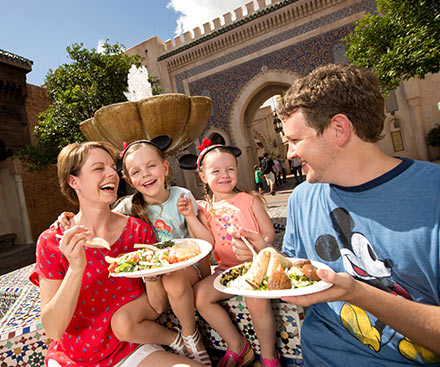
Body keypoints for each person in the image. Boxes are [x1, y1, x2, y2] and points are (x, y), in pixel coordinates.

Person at [231, 64, 440, 366]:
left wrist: (358, 293)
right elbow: (299, 269)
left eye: (295, 140)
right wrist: (265, 254)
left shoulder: (431, 195)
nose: (289, 153)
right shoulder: (303, 198)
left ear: (339, 130)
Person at [31, 141, 204, 367]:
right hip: (75, 357)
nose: (112, 173)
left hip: (132, 348)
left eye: (113, 167)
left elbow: (158, 306)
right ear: (74, 181)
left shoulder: (138, 230)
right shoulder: (53, 242)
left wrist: (150, 270)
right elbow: (53, 329)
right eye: (98, 168)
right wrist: (76, 269)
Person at [179, 139, 280, 367]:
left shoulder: (248, 200)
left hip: (256, 267)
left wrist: (258, 247)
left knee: (255, 298)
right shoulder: (205, 209)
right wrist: (189, 216)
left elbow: (268, 234)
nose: (225, 175)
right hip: (227, 270)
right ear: (203, 176)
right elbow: (206, 242)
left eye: (230, 169)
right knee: (200, 296)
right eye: (216, 171)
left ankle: (269, 357)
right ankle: (237, 345)